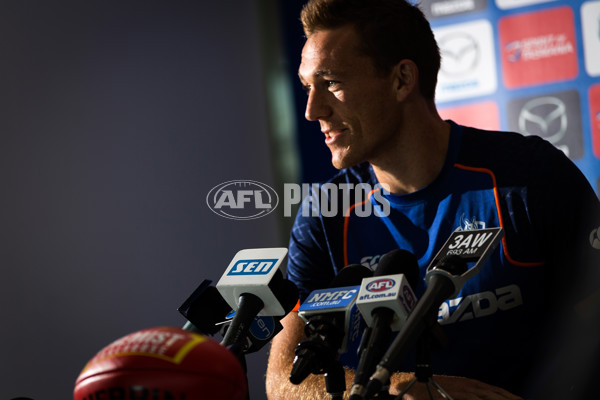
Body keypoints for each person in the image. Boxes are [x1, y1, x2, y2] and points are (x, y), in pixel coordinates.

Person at [265, 0, 600, 399]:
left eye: (332, 82)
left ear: (402, 79)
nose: (311, 110)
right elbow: (283, 381)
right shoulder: (325, 213)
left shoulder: (529, 176)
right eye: (308, 87)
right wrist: (404, 388)